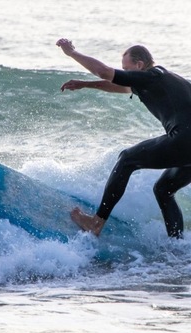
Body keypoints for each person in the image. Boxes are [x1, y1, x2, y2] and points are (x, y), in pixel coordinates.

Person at [56, 38, 191, 238]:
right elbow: (121, 86)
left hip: (184, 138)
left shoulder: (150, 76)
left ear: (139, 65)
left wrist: (72, 53)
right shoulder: (162, 78)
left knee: (127, 159)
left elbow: (104, 72)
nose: (125, 73)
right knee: (164, 190)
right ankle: (178, 245)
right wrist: (86, 84)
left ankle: (96, 222)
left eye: (126, 69)